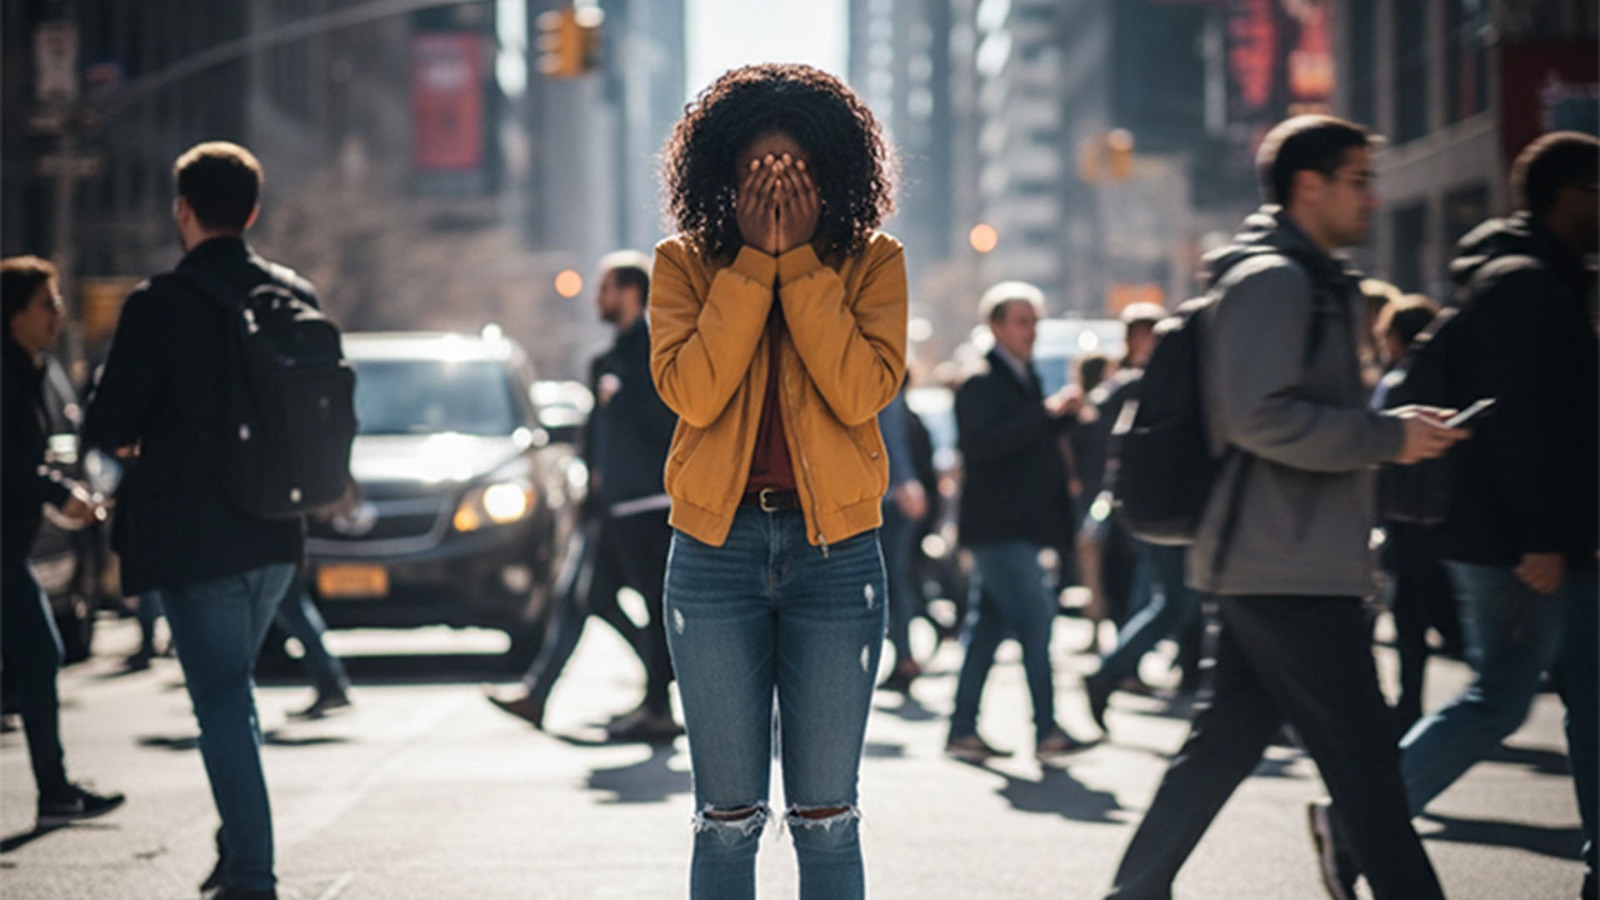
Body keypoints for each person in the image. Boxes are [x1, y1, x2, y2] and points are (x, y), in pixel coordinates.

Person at [1101, 114, 1465, 900]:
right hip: (1286, 565)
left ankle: (1132, 893)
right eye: (1359, 180)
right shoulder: (1277, 281)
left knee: (1223, 749)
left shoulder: (1310, 279)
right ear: (1310, 186)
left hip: (1280, 559)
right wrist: (1386, 437)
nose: (1374, 197)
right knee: (1370, 779)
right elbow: (1258, 416)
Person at [1318, 131, 1600, 900]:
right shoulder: (1525, 283)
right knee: (1499, 698)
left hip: (1542, 536)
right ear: (1572, 196)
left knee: (1574, 701)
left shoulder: (1538, 276)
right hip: (1522, 542)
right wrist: (1543, 537)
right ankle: (1359, 819)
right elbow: (1520, 424)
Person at [649, 63, 905, 900]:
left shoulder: (872, 264)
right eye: (758, 174)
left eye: (793, 174)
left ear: (833, 176)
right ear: (721, 175)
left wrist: (798, 268)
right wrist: (755, 267)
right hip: (713, 553)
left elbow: (863, 390)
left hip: (837, 556)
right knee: (725, 818)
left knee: (827, 815)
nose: (776, 191)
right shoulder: (684, 266)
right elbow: (693, 389)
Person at [82, 142, 319, 900]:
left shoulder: (158, 305)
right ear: (251, 211)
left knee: (221, 701)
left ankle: (251, 872)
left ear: (182, 209)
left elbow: (108, 421)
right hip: (279, 533)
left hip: (195, 537)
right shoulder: (294, 294)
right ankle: (235, 853)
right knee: (232, 693)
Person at [487, 250, 679, 742]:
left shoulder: (653, 351)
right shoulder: (608, 357)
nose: (598, 296)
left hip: (648, 505)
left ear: (630, 292)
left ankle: (659, 701)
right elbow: (598, 434)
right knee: (587, 596)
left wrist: (625, 397)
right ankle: (654, 686)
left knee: (647, 605)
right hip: (611, 505)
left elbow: (668, 420)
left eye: (605, 287)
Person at [944, 281, 1094, 764]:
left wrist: (1060, 418)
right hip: (998, 528)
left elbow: (1028, 441)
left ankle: (961, 730)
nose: (1031, 331)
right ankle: (1047, 730)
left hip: (1019, 525)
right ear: (995, 326)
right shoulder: (980, 379)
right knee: (1036, 619)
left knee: (986, 629)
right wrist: (1045, 415)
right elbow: (984, 446)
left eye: (1034, 322)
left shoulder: (1023, 376)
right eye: (1021, 321)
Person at [1, 255, 125, 829]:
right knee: (40, 652)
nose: (59, 313)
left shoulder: (37, 370)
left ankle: (56, 790)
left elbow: (55, 447)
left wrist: (71, 490)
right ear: (14, 314)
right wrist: (60, 493)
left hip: (15, 542)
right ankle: (54, 791)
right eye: (46, 303)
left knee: (35, 655)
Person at [1370, 294, 1458, 731]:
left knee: (1410, 614)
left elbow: (1375, 450)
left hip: (1405, 515)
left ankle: (1409, 708)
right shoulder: (1454, 380)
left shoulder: (1399, 383)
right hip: (1444, 515)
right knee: (1428, 611)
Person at [877, 378, 928, 694]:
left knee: (892, 581)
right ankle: (905, 654)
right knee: (896, 580)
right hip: (891, 496)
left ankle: (906, 656)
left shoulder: (885, 389)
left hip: (889, 499)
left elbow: (892, 439)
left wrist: (905, 481)